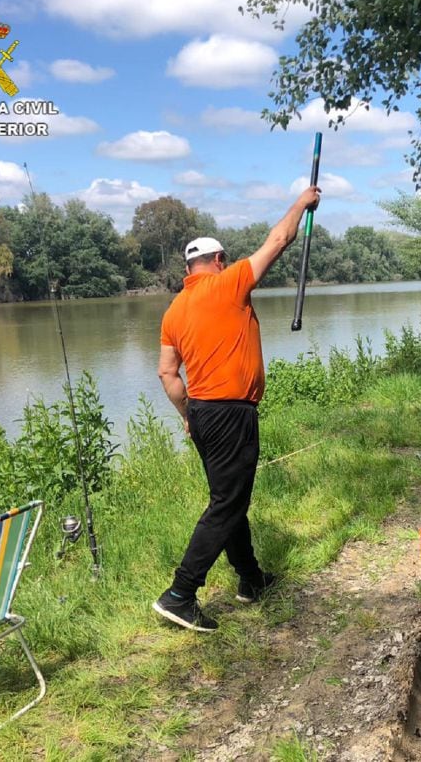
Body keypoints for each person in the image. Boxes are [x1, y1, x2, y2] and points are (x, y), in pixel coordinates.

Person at [152, 185, 322, 632]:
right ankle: (180, 593)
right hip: (230, 413)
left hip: (204, 414)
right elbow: (278, 241)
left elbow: (168, 374)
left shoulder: (174, 310)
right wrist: (301, 205)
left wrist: (187, 414)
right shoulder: (228, 285)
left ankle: (251, 580)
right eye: (224, 260)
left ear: (189, 268)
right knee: (227, 503)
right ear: (219, 261)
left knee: (232, 499)